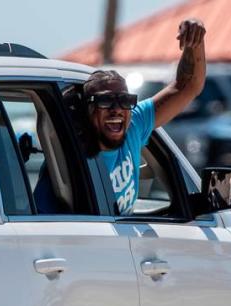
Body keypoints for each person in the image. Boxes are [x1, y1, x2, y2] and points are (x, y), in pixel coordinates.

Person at [84, 18, 207, 215]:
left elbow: (187, 85)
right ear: (88, 109)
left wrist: (195, 41)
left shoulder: (134, 124)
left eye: (125, 101)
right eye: (105, 101)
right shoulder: (74, 154)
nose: (117, 109)